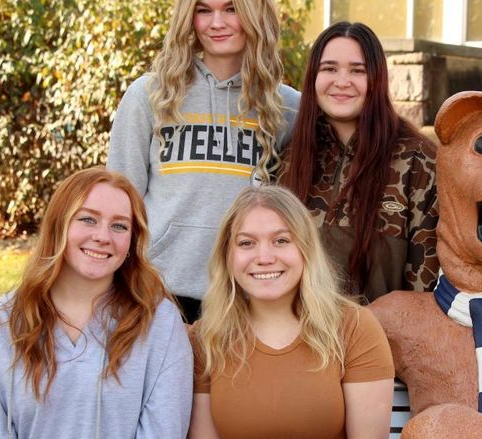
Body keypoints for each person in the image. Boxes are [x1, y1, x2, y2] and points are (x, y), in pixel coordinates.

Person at [0, 167, 193, 439]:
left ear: (132, 241)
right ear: (58, 226)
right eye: (88, 219)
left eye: (119, 225)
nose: (103, 236)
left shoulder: (160, 324)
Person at [107, 0, 301, 322]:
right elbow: (119, 201)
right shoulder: (150, 94)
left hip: (248, 296)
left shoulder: (287, 107)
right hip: (158, 291)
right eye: (203, 10)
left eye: (230, 9)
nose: (216, 23)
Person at [188, 185, 394, 439]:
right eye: (246, 243)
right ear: (227, 256)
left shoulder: (354, 328)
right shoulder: (207, 339)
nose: (264, 257)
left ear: (306, 250)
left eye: (281, 241)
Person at [280, 22, 438, 303]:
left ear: (376, 79)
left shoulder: (417, 160)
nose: (342, 81)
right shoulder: (290, 160)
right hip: (301, 338)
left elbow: (425, 287)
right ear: (313, 78)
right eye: (329, 68)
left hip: (387, 340)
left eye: (357, 70)